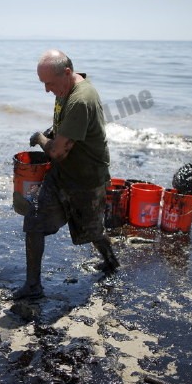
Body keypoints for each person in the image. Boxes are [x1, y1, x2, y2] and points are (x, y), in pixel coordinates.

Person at [13, 49, 119, 300]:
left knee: (92, 230)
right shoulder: (66, 89)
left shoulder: (80, 100)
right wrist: (53, 131)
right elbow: (64, 128)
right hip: (61, 175)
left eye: (49, 83)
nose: (47, 90)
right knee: (34, 222)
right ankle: (33, 286)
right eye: (43, 83)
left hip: (87, 179)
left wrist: (40, 138)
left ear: (68, 73)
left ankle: (111, 261)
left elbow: (58, 152)